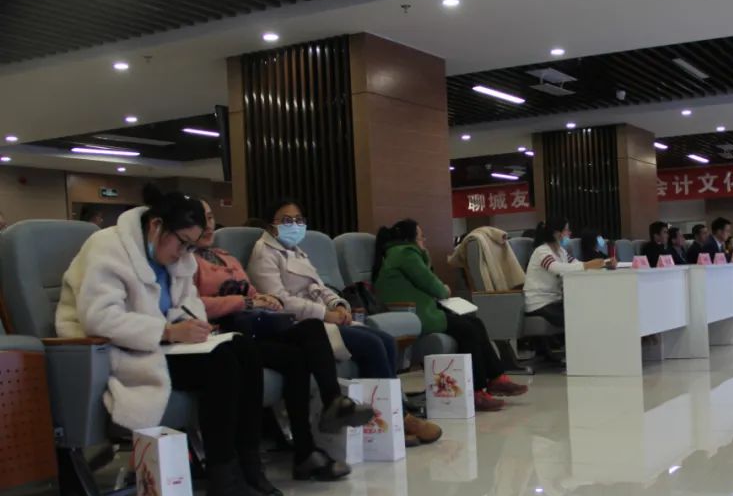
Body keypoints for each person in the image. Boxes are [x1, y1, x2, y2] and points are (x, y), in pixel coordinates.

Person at [55, 186, 282, 496]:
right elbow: (99, 319)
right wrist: (167, 331)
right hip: (115, 352)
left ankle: (249, 467)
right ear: (156, 226)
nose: (184, 253)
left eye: (191, 246)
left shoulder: (179, 255)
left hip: (163, 346)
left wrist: (191, 326)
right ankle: (224, 484)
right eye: (182, 243)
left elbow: (188, 304)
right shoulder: (107, 247)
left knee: (243, 348)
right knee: (222, 364)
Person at [191, 199, 376, 478]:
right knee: (298, 353)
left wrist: (263, 299)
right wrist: (243, 302)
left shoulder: (225, 256)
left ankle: (326, 414)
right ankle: (308, 446)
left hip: (252, 326)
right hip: (221, 336)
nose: (207, 225)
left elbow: (252, 292)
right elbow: (192, 304)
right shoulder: (186, 262)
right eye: (199, 219)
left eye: (210, 218)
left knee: (309, 333)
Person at [247, 201, 442, 444]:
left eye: (299, 219)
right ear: (270, 225)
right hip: (301, 326)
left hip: (323, 318)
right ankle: (396, 421)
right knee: (371, 345)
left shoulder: (296, 250)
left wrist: (338, 304)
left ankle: (391, 415)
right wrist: (324, 313)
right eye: (287, 220)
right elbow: (279, 301)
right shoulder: (263, 253)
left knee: (385, 341)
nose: (294, 225)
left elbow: (319, 287)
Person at [373, 218, 529, 412]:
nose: (424, 241)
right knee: (468, 330)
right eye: (421, 237)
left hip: (421, 312)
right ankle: (477, 391)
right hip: (415, 316)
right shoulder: (406, 254)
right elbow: (435, 287)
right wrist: (444, 288)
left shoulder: (397, 254)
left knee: (475, 323)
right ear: (409, 239)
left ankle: (496, 378)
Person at [524, 218, 610, 326]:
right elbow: (557, 268)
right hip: (539, 303)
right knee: (575, 319)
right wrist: (587, 265)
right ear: (556, 233)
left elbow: (575, 263)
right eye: (566, 230)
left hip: (554, 301)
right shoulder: (541, 252)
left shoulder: (561, 251)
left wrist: (605, 263)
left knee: (585, 312)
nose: (570, 233)